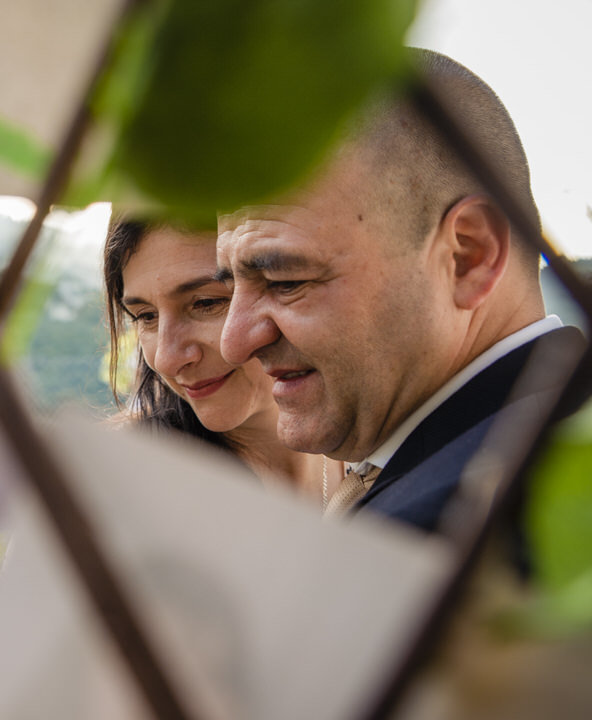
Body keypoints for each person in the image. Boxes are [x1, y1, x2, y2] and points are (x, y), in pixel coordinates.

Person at [215, 49, 585, 531]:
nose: (234, 341)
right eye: (228, 287)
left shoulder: (433, 536)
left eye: (287, 282)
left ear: (468, 257)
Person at [104, 219, 344, 503]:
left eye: (206, 303)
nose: (166, 360)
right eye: (146, 316)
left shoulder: (372, 450)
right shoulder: (118, 485)